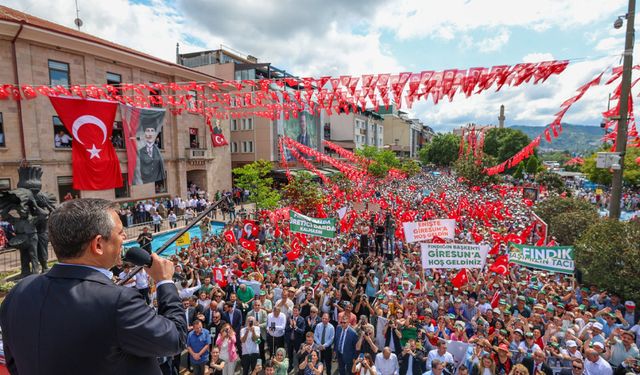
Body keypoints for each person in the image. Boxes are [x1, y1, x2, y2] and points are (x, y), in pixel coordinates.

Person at [0, 198, 187, 374]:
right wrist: (165, 281)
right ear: (98, 244)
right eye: (120, 231)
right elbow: (175, 339)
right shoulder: (117, 301)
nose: (124, 237)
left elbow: (13, 363)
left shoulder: (19, 292)